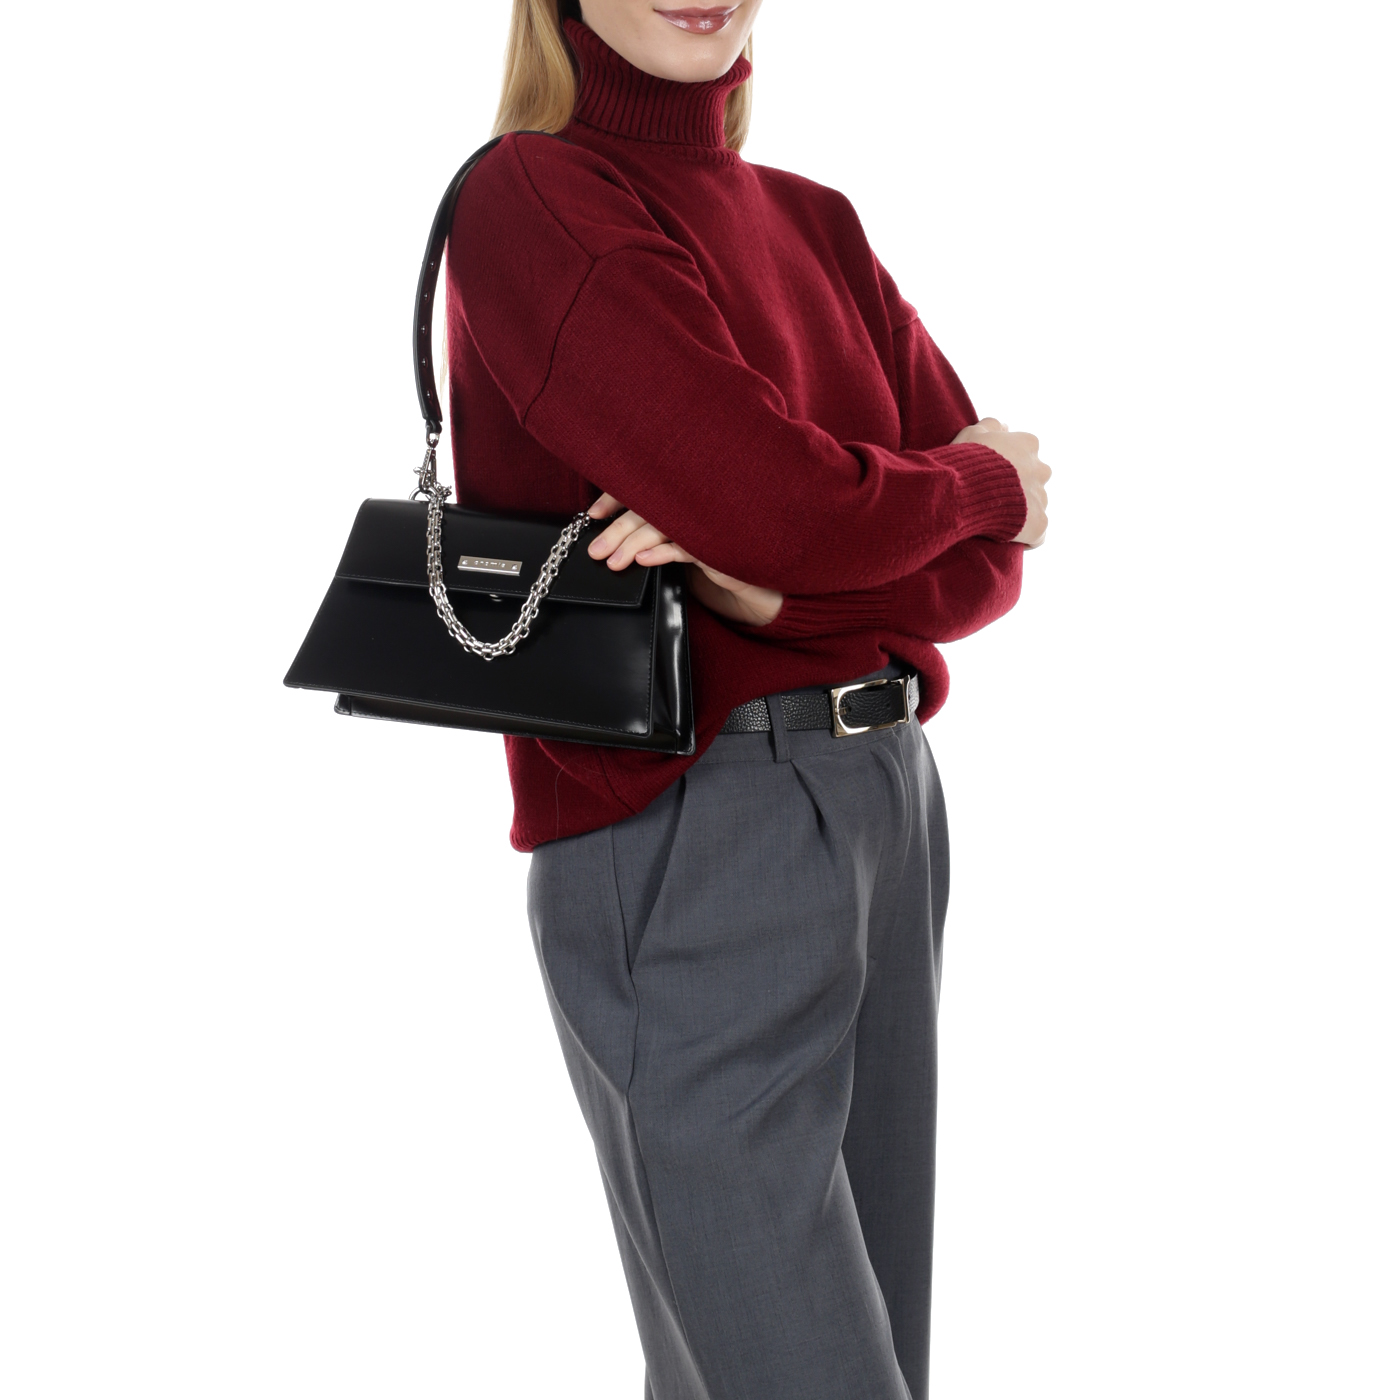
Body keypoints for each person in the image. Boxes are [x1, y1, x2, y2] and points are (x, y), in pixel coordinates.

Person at [445, 3, 1051, 1396]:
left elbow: (980, 576)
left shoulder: (816, 222)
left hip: (886, 796)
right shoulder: (536, 199)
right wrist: (972, 480)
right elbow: (797, 503)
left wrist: (775, 594)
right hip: (692, 818)